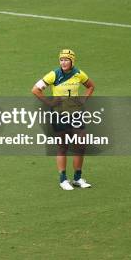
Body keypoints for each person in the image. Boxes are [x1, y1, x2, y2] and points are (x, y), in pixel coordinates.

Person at [32, 49, 95, 191]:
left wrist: (84, 100)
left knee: (81, 145)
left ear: (72, 61)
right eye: (61, 60)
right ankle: (63, 179)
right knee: (63, 147)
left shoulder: (79, 73)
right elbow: (35, 89)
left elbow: (91, 86)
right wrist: (50, 103)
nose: (63, 62)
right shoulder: (54, 74)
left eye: (66, 59)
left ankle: (78, 178)